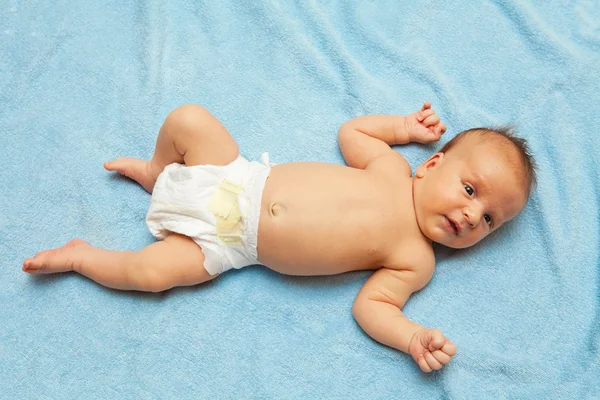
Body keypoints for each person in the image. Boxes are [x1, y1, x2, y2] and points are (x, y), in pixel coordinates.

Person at [22, 102, 536, 373]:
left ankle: (82, 259)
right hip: (235, 176)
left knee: (151, 274)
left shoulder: (415, 259)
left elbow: (373, 307)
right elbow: (352, 132)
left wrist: (411, 338)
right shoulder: (391, 167)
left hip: (228, 244)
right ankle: (159, 173)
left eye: (491, 220)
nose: (473, 215)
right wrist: (402, 127)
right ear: (433, 164)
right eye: (471, 190)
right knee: (189, 119)